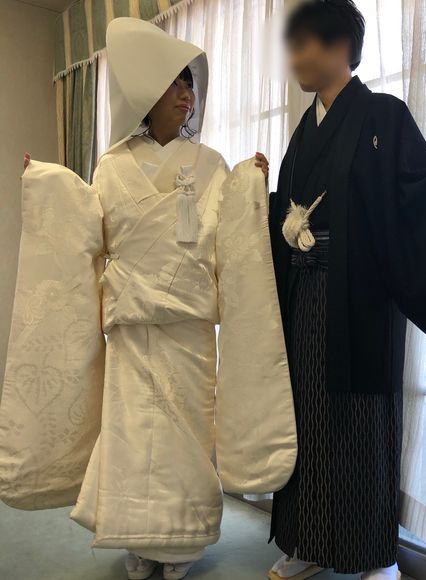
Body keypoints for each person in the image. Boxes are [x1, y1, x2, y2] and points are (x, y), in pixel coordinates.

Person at [0, 17, 297, 580]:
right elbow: (87, 229)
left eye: (190, 85)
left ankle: (181, 542)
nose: (187, 94)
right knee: (132, 438)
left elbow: (228, 234)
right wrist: (44, 183)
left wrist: (248, 183)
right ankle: (136, 540)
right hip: (132, 328)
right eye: (176, 83)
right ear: (148, 93)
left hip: (187, 329)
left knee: (186, 439)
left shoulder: (209, 164)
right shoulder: (112, 165)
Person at [267, 1, 426, 579]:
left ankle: (374, 553)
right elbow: (286, 210)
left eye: (307, 42)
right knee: (306, 417)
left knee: (361, 422)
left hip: (362, 297)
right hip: (306, 297)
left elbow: (415, 188)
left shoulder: (383, 115)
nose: (297, 56)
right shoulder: (303, 132)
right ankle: (307, 541)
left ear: (341, 46)